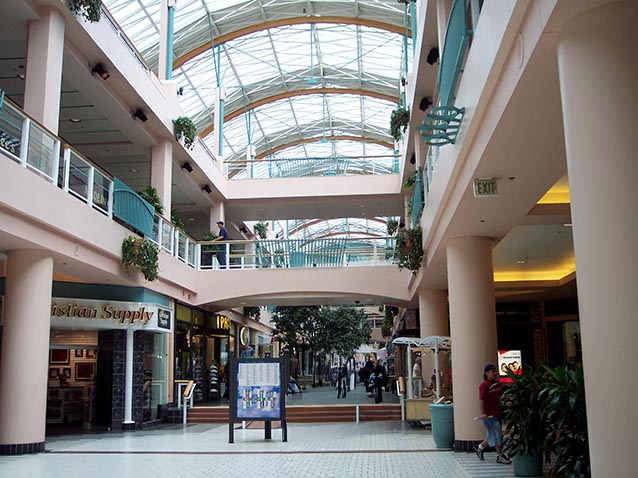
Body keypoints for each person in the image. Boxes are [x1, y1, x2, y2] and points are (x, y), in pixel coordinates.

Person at [475, 364, 511, 464]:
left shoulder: (497, 385)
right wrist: (483, 413)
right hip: (489, 415)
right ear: (486, 373)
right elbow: (481, 400)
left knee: (492, 434)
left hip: (497, 413)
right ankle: (500, 455)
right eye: (492, 371)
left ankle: (480, 447)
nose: (495, 373)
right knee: (496, 434)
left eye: (495, 371)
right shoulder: (484, 385)